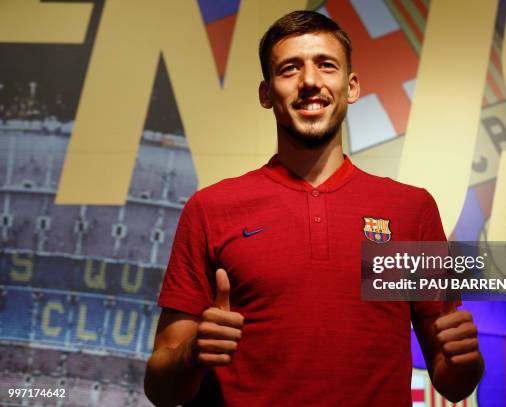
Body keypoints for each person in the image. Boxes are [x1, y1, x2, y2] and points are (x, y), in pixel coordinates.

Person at [144, 10, 484, 407]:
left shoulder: (411, 209)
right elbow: (160, 389)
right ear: (266, 93)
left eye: (326, 65)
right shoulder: (212, 208)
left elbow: (452, 381)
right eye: (289, 69)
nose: (309, 82)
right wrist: (193, 353)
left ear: (351, 86)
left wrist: (467, 362)